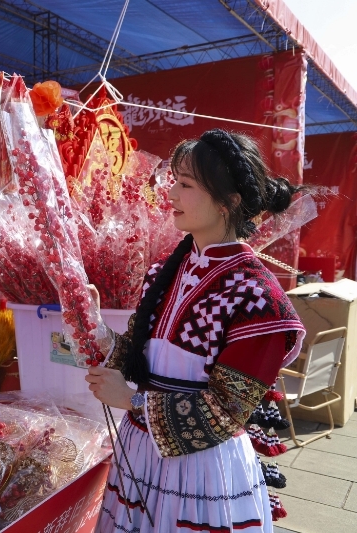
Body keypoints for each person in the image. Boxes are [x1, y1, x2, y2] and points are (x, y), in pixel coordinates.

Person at [86, 129, 306, 532]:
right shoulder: (164, 273)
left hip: (201, 471)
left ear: (229, 202)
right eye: (174, 181)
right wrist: (96, 329)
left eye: (185, 185)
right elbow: (140, 359)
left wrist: (133, 401)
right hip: (139, 454)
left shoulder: (258, 297)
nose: (170, 194)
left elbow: (225, 410)